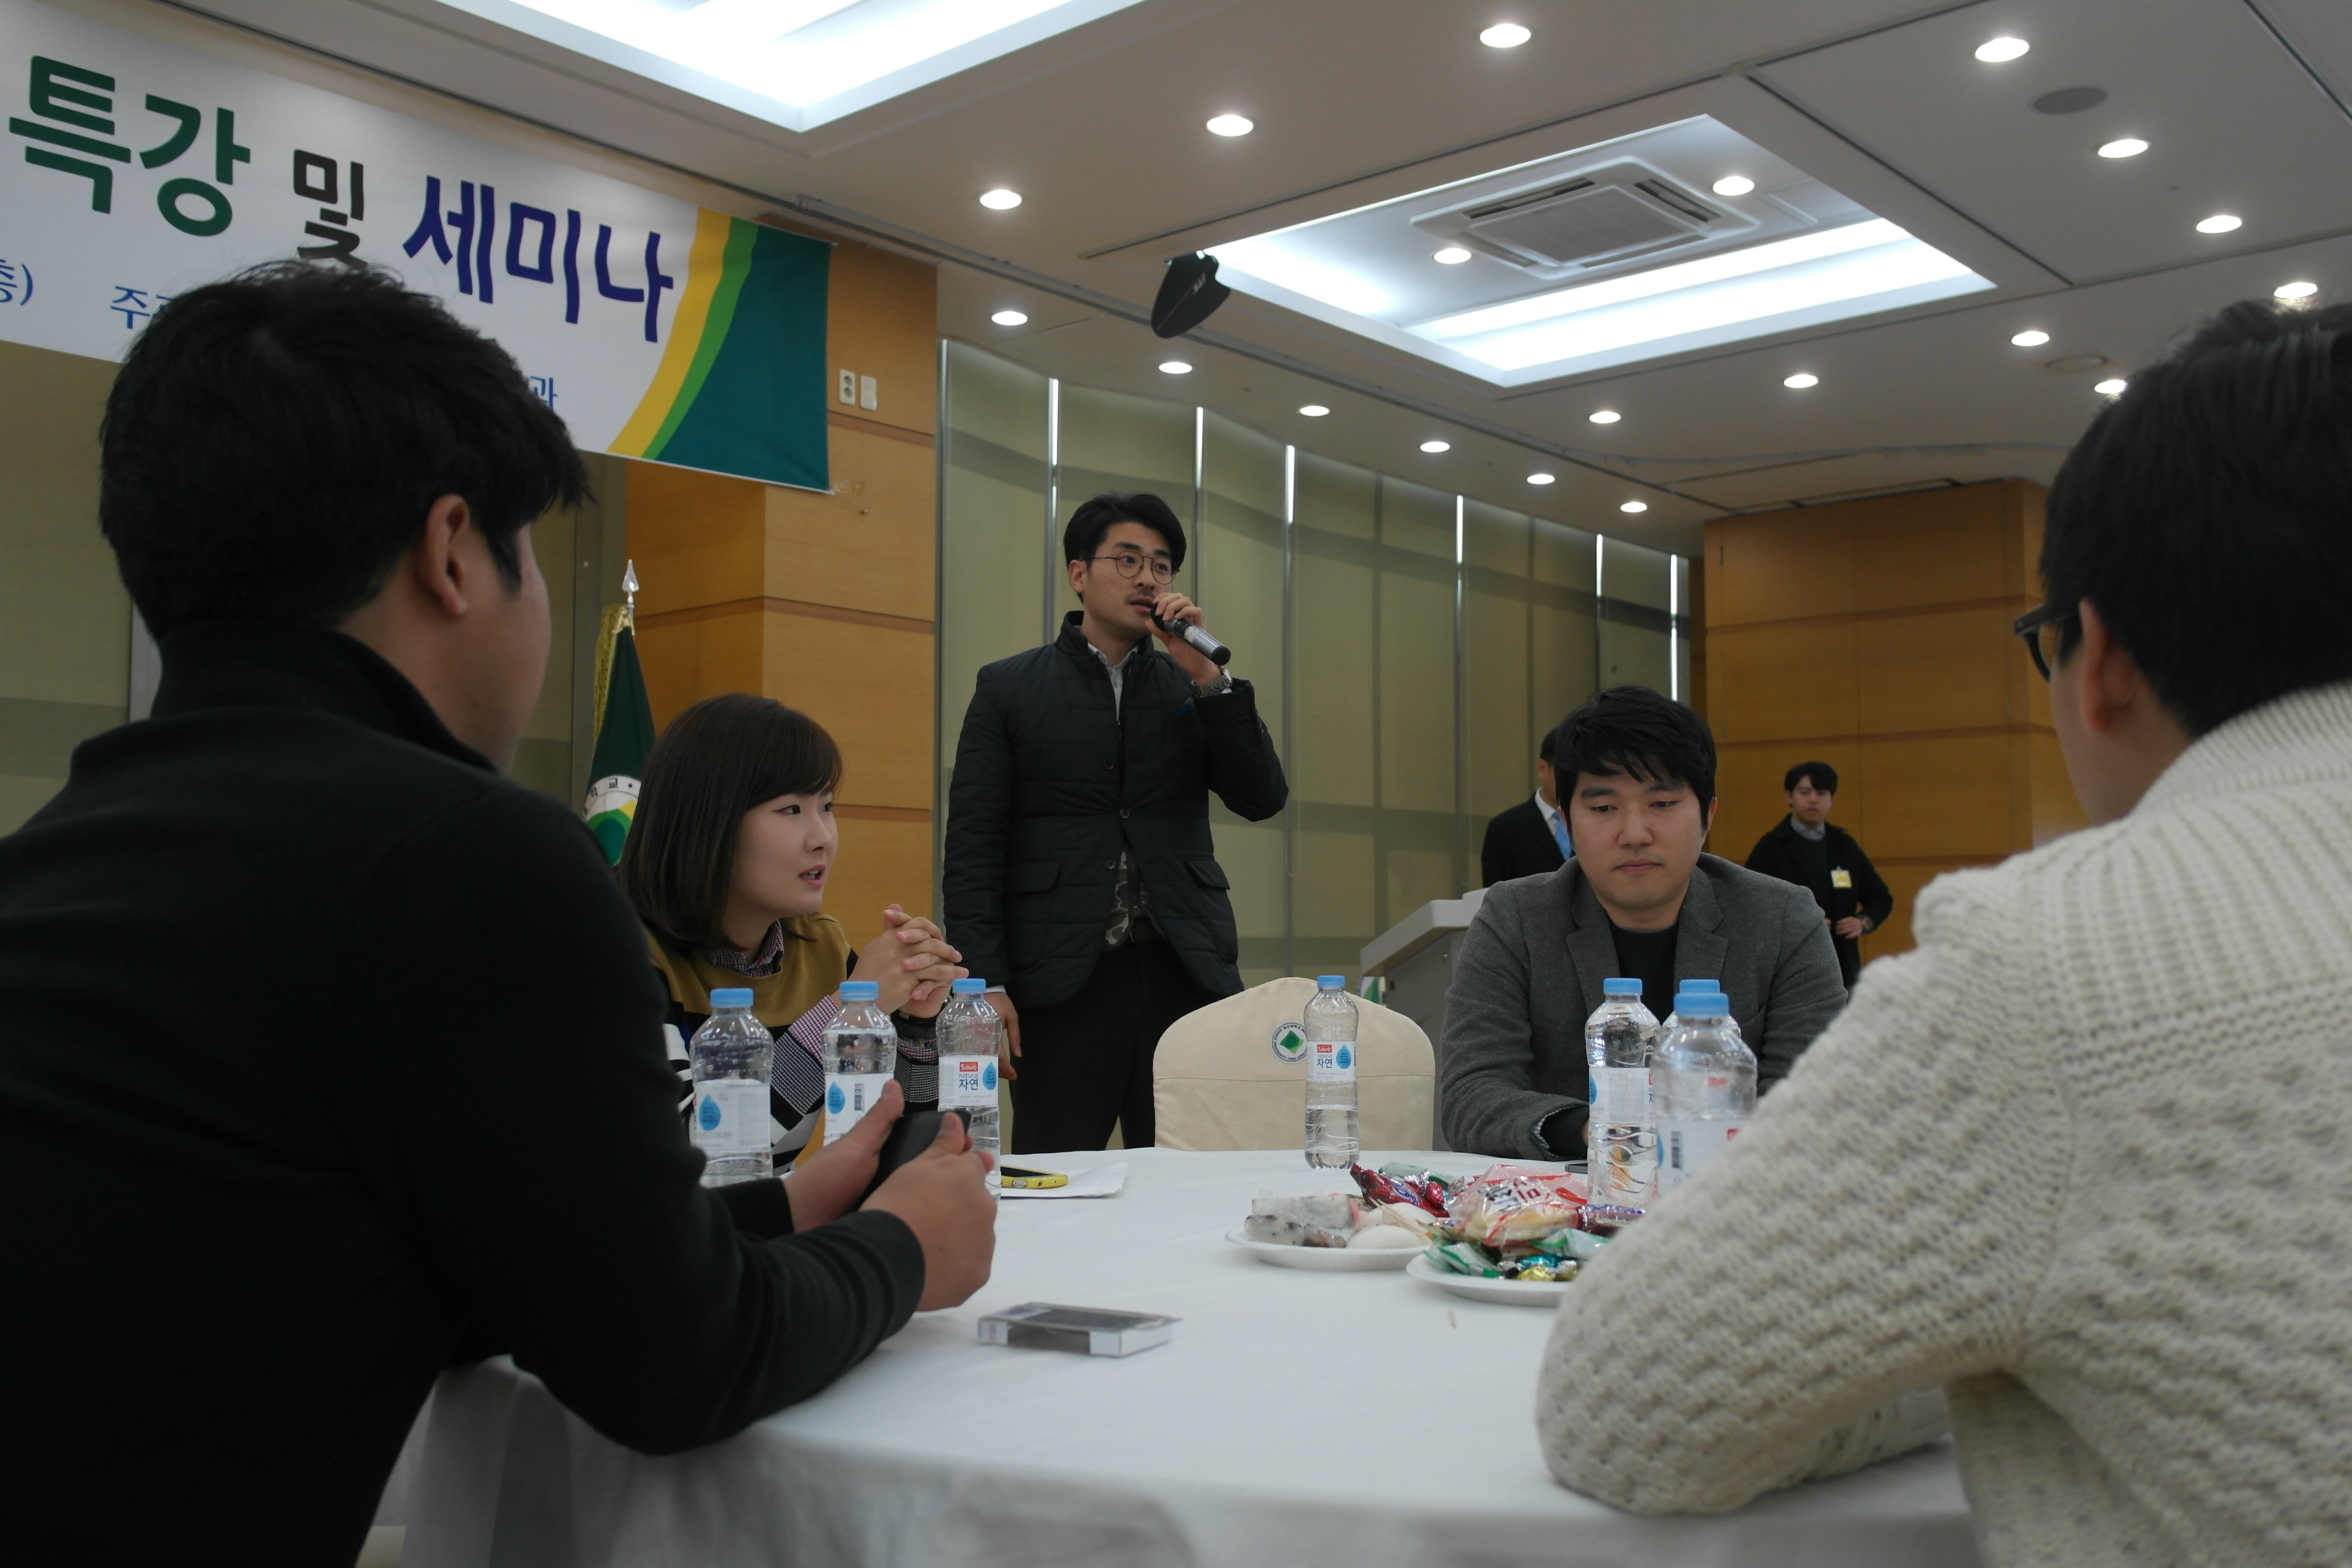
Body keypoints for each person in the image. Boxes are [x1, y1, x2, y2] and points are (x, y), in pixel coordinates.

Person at [0, 263, 994, 1566]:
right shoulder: (465, 860)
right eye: (532, 556)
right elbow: (677, 1367)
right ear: (452, 552)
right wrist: (902, 1247)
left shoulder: (55, 858)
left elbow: (472, 1260)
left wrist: (785, 1209)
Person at [1535, 299, 2352, 1563]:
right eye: (1602, 804)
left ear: (2098, 660)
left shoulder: (2050, 961)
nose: (1631, 830)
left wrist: (1997, 1340)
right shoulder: (1526, 917)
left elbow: (1626, 1405)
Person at [943, 491, 1288, 1153]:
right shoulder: (1009, 688)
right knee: (1057, 1171)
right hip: (1061, 978)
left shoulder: (1191, 684)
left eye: (1161, 566)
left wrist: (1209, 681)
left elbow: (1261, 797)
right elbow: (974, 847)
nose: (1147, 579)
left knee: (1188, 1172)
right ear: (1079, 573)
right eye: (1127, 561)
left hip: (1183, 969)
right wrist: (985, 984)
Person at [1439, 685, 1845, 1159]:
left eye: (1663, 804)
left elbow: (1818, 1096)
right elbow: (1471, 1095)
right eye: (1603, 808)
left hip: (1737, 1189)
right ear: (1568, 822)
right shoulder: (1515, 918)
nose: (1635, 834)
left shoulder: (1783, 919)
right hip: (1568, 1191)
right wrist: (1606, 1132)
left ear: (1708, 816)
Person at [619, 692, 966, 1158]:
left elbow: (903, 1149)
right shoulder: (618, 950)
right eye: (791, 810)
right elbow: (687, 1154)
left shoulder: (818, 944)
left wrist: (916, 1024)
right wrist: (844, 1015)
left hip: (771, 1205)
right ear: (708, 819)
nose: (822, 838)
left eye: (827, 806)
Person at [1743, 760, 1893, 989]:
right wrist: (1799, 924)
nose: (1813, 800)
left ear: (1831, 798)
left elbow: (1880, 898)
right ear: (1789, 796)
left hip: (1842, 964)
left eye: (1822, 794)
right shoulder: (1771, 847)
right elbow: (1749, 903)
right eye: (1805, 793)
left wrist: (1863, 922)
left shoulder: (1844, 845)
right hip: (1789, 964)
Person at [1478, 721, 1570, 885]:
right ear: (1543, 768)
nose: (1571, 781)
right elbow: (1494, 893)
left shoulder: (1591, 820)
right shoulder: (1506, 828)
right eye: (1564, 772)